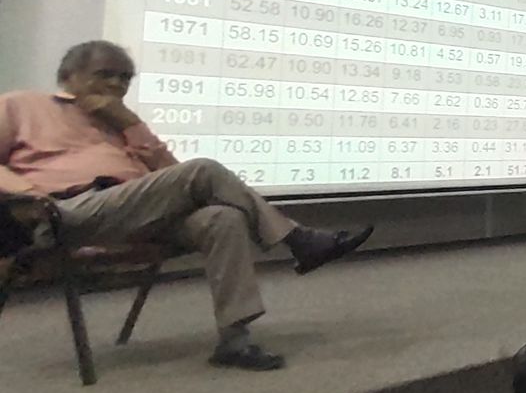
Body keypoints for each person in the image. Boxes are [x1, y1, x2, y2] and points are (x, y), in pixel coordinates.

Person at [0, 40, 372, 371]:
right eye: (105, 75)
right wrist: (30, 196)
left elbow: (174, 177)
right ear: (70, 75)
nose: (116, 85)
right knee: (203, 169)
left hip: (136, 214)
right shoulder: (22, 105)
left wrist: (130, 122)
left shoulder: (121, 123)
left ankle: (235, 342)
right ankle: (299, 240)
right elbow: (194, 177)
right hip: (65, 211)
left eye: (125, 78)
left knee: (222, 217)